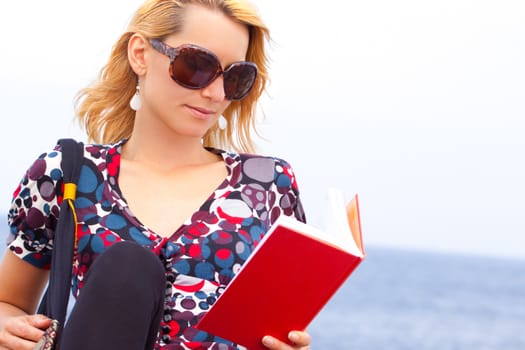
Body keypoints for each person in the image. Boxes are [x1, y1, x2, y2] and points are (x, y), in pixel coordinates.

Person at [0, 0, 312, 349]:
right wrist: (8, 327)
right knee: (127, 266)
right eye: (197, 65)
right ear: (140, 54)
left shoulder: (268, 186)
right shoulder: (67, 174)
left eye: (235, 77)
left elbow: (281, 327)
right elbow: (8, 304)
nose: (215, 93)